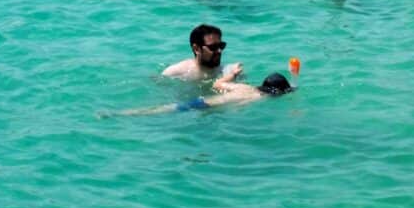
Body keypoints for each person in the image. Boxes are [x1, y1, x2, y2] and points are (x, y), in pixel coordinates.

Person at [119, 65, 295, 115]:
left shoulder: (245, 87)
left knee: (161, 109)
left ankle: (123, 113)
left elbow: (217, 84)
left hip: (205, 101)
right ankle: (122, 114)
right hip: (206, 107)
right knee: (160, 111)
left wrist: (231, 75)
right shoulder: (259, 98)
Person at [163, 23, 237, 79]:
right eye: (213, 47)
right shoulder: (175, 72)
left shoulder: (228, 72)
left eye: (221, 46)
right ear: (196, 49)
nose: (219, 51)